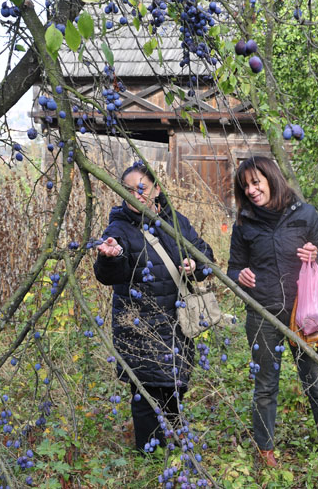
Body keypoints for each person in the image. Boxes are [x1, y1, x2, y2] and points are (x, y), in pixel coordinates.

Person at [93, 162, 215, 453]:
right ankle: (148, 457)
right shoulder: (119, 227)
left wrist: (196, 264)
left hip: (177, 321)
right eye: (128, 190)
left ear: (156, 189)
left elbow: (203, 254)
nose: (135, 195)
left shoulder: (176, 221)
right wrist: (110, 257)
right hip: (141, 327)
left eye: (141, 188)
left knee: (174, 385)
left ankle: (171, 451)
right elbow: (110, 275)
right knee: (147, 394)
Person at [227, 156, 318, 468]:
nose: (250, 190)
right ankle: (266, 453)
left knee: (316, 382)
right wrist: (240, 275)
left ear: (271, 178)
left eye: (255, 182)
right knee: (265, 386)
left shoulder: (305, 214)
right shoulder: (245, 223)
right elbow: (234, 266)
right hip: (262, 313)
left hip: (305, 313)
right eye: (245, 185)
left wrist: (315, 255)